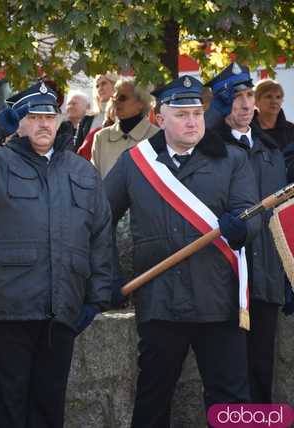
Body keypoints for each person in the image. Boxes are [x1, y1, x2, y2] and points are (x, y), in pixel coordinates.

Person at [105, 75, 260, 427]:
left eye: (197, 113)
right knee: (152, 399)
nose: (192, 122)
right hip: (160, 302)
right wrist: (108, 273)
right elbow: (100, 218)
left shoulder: (232, 159)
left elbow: (253, 215)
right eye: (182, 114)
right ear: (160, 118)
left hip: (219, 300)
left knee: (231, 399)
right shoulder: (136, 162)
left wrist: (243, 227)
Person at [0, 81, 113, 428]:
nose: (44, 123)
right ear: (19, 122)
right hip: (8, 309)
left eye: (50, 116)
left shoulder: (81, 170)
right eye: (34, 116)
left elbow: (101, 236)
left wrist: (97, 298)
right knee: (7, 405)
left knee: (48, 405)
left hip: (61, 308)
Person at [206, 63, 291, 404]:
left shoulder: (271, 151)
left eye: (247, 95)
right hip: (224, 281)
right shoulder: (207, 150)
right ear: (223, 104)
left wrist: (287, 275)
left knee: (261, 373)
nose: (244, 104)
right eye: (236, 96)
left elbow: (281, 217)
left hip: (265, 279)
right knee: (228, 378)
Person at [91, 77, 158, 178]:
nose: (116, 101)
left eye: (122, 98)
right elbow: (93, 179)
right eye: (114, 97)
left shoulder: (157, 136)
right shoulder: (101, 137)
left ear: (140, 103)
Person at [252, 79, 294, 151]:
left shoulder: (291, 130)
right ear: (256, 101)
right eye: (268, 96)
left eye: (278, 97)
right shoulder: (247, 130)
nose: (274, 101)